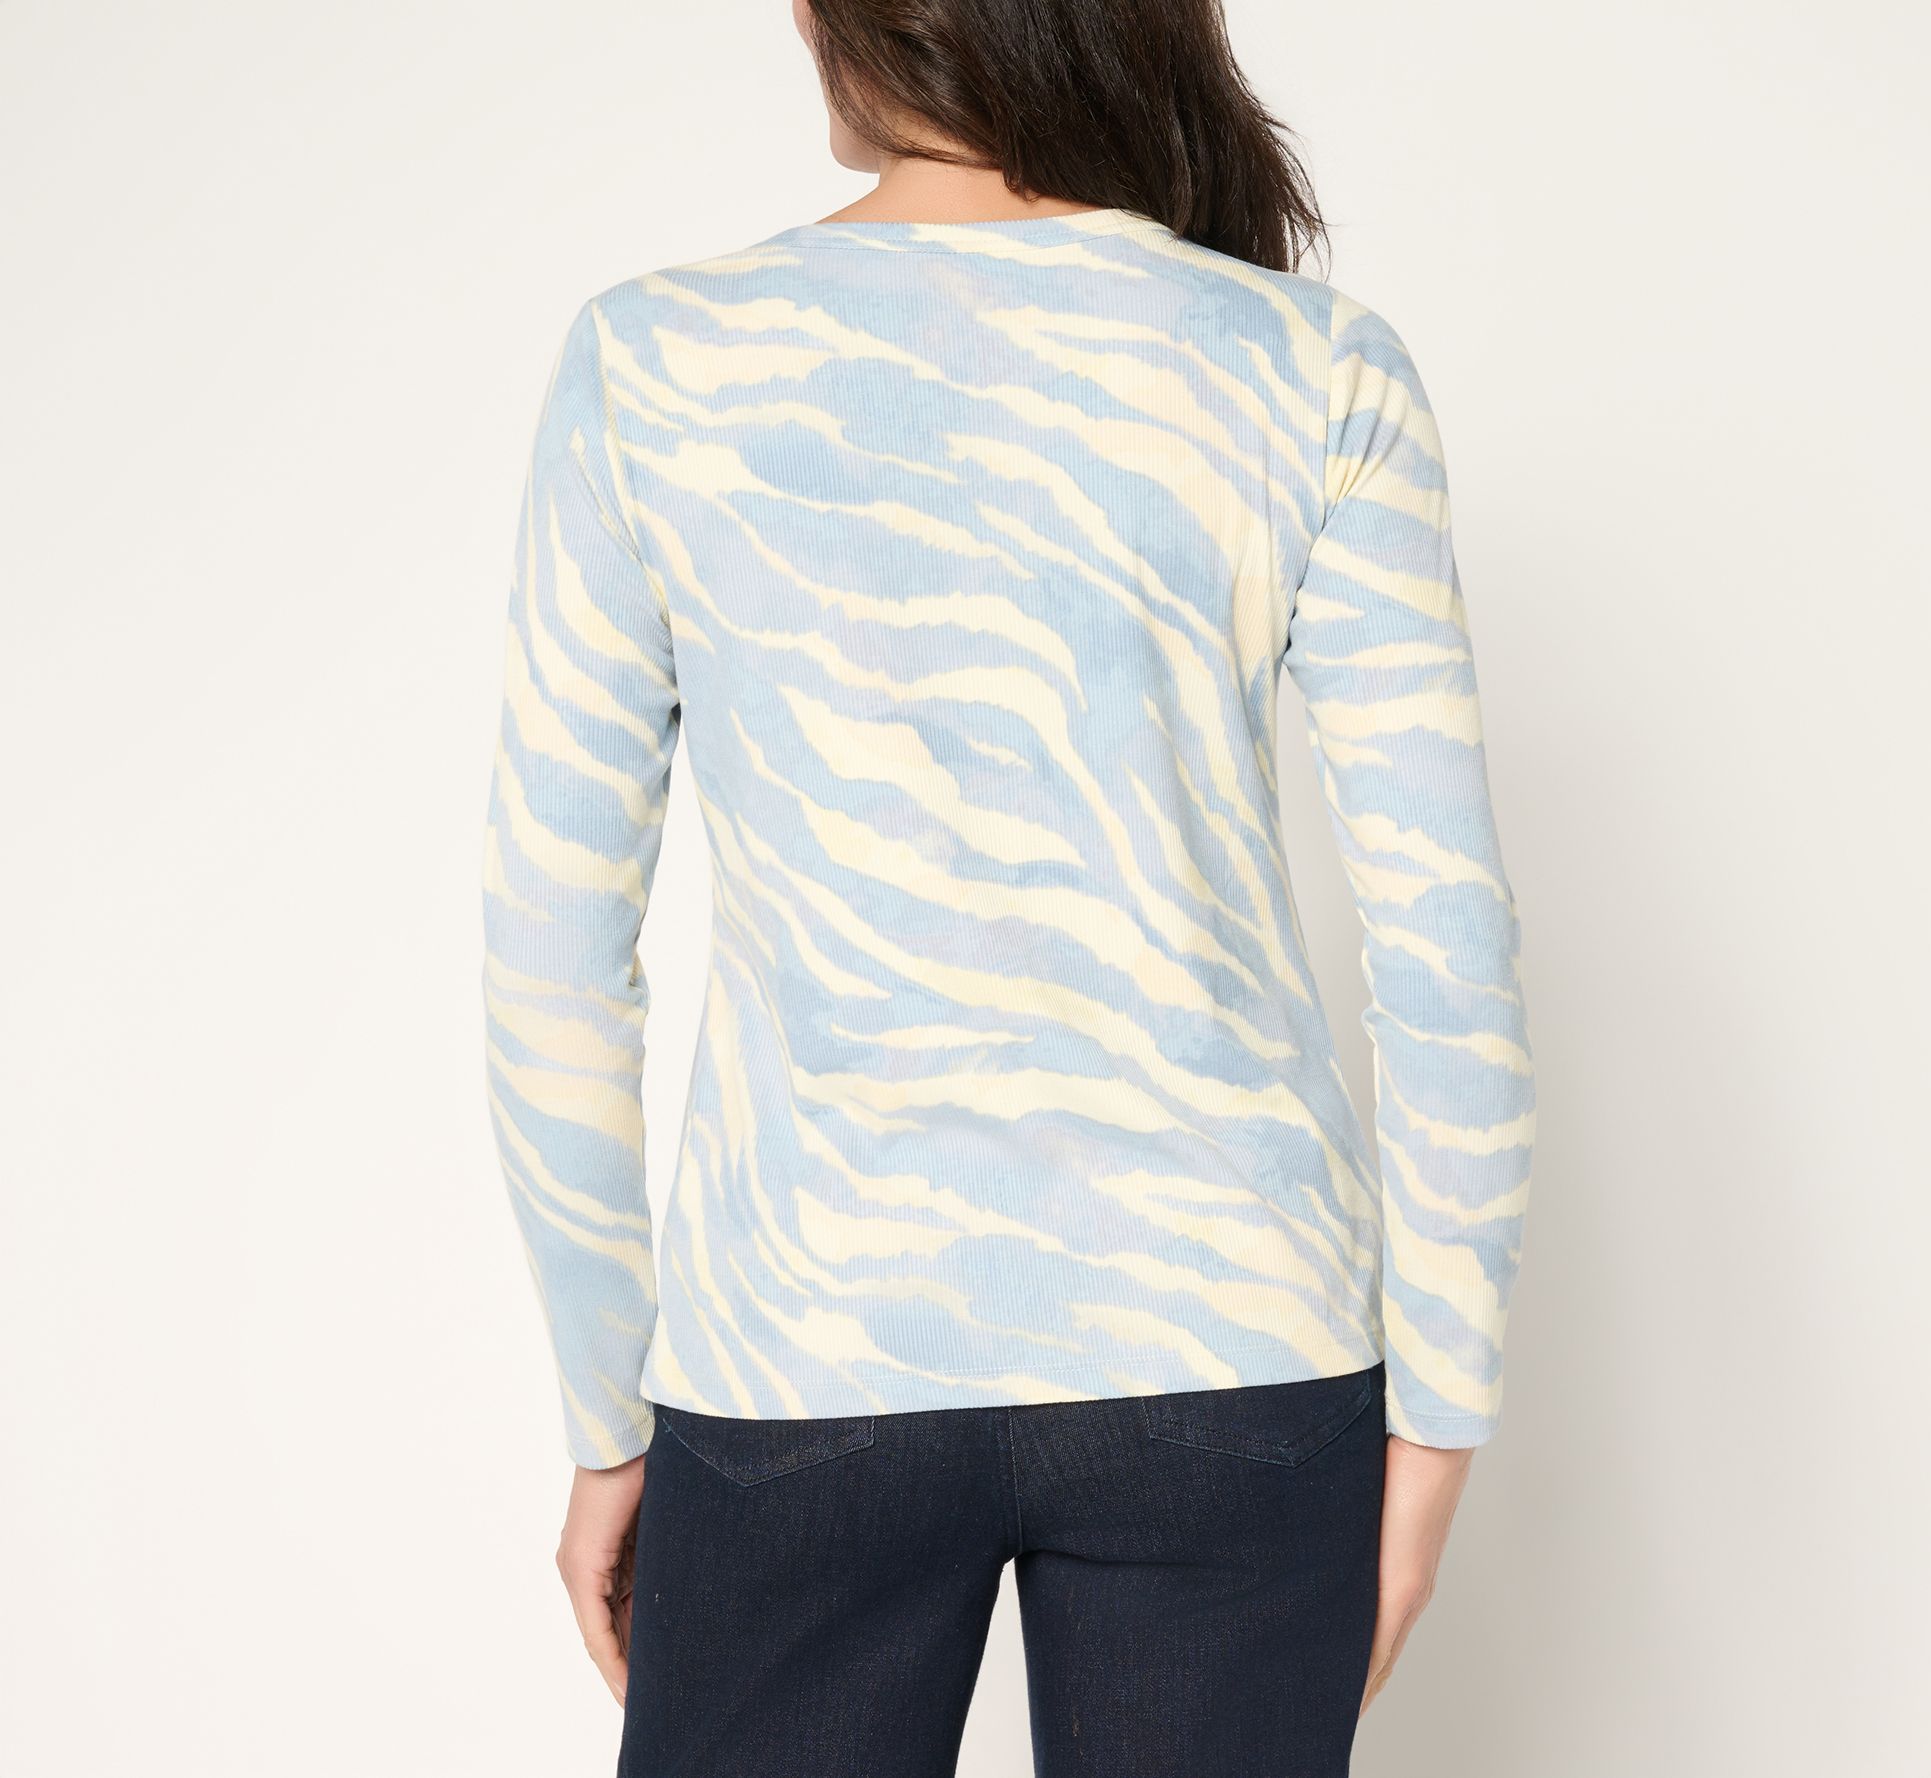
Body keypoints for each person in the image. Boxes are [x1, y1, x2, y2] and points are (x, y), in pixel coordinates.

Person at [479, 1, 1535, 1771]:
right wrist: (1437, 1424)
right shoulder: (1310, 366)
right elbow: (1449, 945)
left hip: (802, 1350)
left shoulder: (654, 361)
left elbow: (552, 952)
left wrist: (609, 1413)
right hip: (1234, 1349)